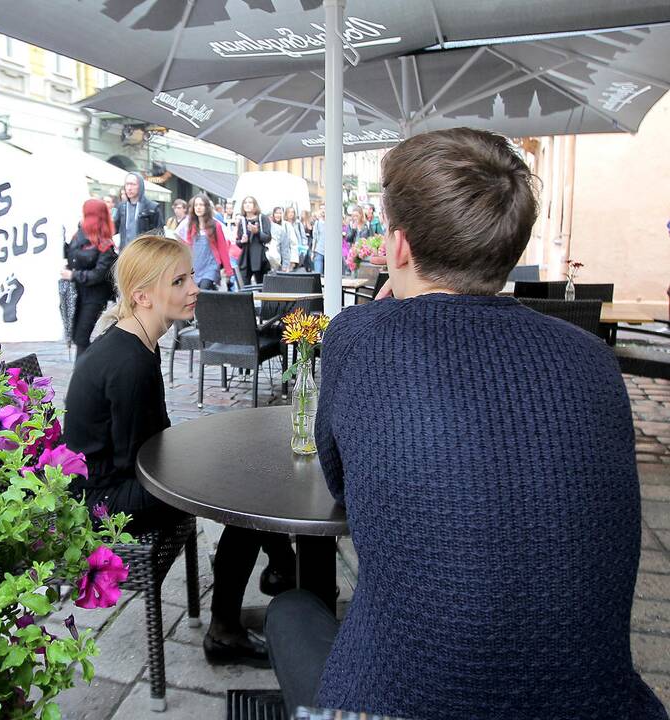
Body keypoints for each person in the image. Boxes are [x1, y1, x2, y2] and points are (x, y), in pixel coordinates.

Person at [265, 128, 667, 720]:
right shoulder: (590, 356)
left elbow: (344, 484)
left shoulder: (359, 337)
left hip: (400, 700)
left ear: (398, 246)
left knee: (292, 609)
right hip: (599, 705)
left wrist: (374, 323)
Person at [63, 235, 295, 669]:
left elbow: (154, 443)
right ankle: (234, 622)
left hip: (124, 479)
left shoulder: (136, 341)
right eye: (180, 281)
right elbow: (142, 463)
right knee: (244, 491)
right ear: (143, 296)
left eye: (190, 277)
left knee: (238, 469)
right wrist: (210, 468)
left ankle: (282, 570)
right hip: (105, 503)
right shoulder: (128, 362)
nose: (194, 289)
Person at [61, 199, 117, 361]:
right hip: (76, 293)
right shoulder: (78, 235)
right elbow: (70, 255)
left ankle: (85, 373)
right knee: (77, 335)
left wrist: (73, 275)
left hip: (95, 296)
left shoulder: (106, 244)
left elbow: (98, 274)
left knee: (81, 336)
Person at [177, 194, 233, 290]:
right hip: (196, 265)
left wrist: (228, 271)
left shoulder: (216, 225)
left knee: (204, 288)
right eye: (196, 205)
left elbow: (222, 248)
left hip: (211, 265)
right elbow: (189, 247)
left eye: (201, 205)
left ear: (206, 207)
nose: (198, 207)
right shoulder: (191, 225)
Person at [112, 172, 165, 247]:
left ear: (140, 186)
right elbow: (114, 230)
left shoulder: (152, 208)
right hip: (125, 253)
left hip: (144, 253)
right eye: (127, 184)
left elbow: (160, 234)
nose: (129, 188)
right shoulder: (122, 207)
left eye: (133, 184)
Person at [234, 196, 271, 285]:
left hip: (260, 259)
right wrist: (242, 241)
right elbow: (238, 242)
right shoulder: (242, 220)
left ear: (255, 205)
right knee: (244, 289)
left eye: (250, 202)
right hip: (245, 260)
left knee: (262, 288)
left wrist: (257, 232)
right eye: (245, 203)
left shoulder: (262, 218)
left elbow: (268, 238)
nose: (247, 205)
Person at [270, 206, 296, 271]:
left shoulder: (287, 226)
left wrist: (293, 260)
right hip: (273, 258)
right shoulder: (269, 226)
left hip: (285, 257)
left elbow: (293, 243)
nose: (278, 215)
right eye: (276, 213)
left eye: (280, 213)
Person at [311, 208, 326, 274]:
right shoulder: (317, 223)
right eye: (321, 209)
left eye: (325, 208)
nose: (323, 211)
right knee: (318, 274)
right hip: (319, 251)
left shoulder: (332, 223)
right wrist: (312, 252)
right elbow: (315, 238)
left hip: (330, 252)